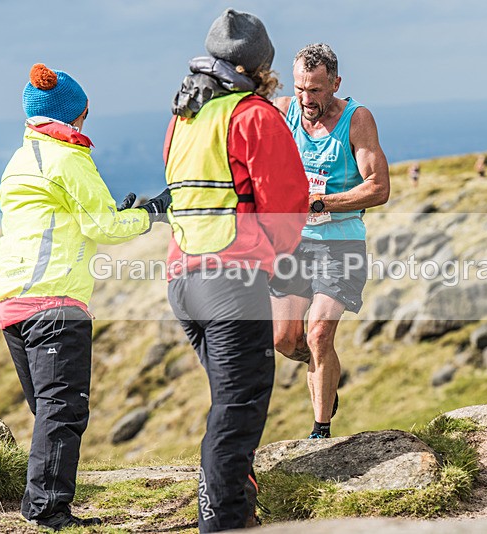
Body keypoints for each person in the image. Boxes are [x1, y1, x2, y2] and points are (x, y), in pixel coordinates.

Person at [0, 64, 171, 530]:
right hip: (55, 304)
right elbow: (104, 227)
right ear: (74, 114)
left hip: (11, 304)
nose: (86, 122)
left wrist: (118, 211)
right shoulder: (69, 158)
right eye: (85, 114)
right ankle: (47, 511)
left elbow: (67, 218)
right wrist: (151, 211)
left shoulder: (20, 159)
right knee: (63, 409)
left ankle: (41, 501)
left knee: (48, 408)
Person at [163, 9, 308, 532]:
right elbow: (287, 205)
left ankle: (232, 505)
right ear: (259, 66)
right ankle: (222, 521)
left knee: (228, 405)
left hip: (183, 283)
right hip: (231, 283)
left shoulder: (185, 116)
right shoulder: (253, 115)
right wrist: (283, 260)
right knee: (238, 409)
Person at [271, 43, 390, 440]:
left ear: (335, 83)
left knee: (320, 332)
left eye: (317, 90)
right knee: (287, 340)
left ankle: (320, 432)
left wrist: (320, 201)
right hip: (293, 243)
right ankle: (322, 368)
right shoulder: (284, 109)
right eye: (301, 88)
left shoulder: (357, 120)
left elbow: (378, 188)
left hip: (341, 243)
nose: (307, 99)